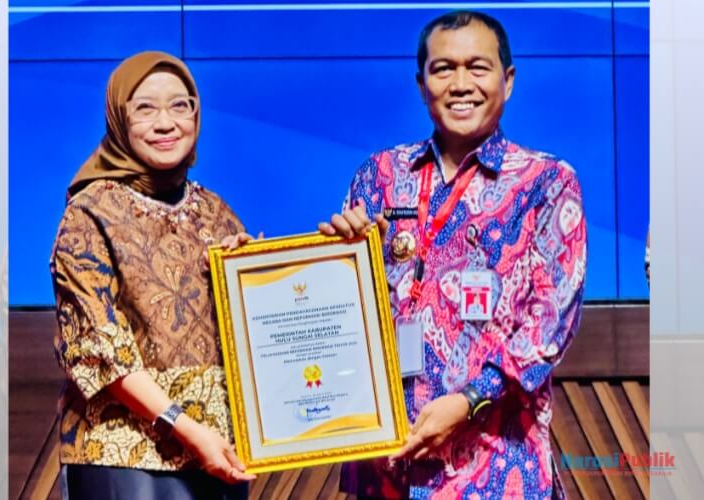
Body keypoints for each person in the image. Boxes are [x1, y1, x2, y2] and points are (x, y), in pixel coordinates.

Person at [320, 11, 587, 499]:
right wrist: (341, 258)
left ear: (508, 80)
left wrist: (468, 401)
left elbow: (549, 325)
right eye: (443, 69)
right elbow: (343, 315)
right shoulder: (379, 175)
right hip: (388, 463)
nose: (461, 84)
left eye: (477, 67)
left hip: (494, 466)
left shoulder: (546, 183)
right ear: (421, 84)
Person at [50, 51, 256, 499]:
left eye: (180, 106)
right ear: (119, 119)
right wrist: (186, 429)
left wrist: (251, 279)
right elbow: (102, 353)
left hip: (219, 451)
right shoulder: (90, 214)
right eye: (145, 109)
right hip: (126, 455)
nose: (166, 123)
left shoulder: (217, 213)